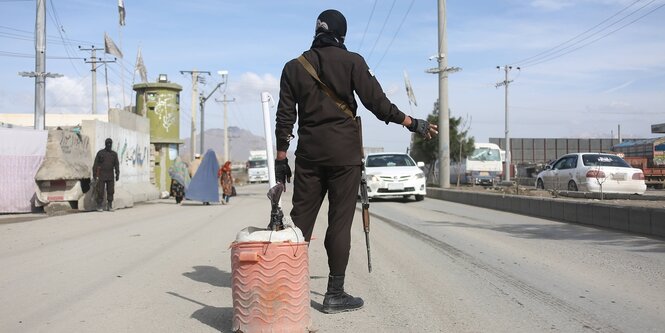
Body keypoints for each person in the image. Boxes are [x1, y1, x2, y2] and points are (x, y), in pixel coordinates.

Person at [274, 9, 437, 314]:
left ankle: (284, 292)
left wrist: (281, 158)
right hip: (345, 156)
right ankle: (335, 293)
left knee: (300, 223)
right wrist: (412, 123)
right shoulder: (353, 62)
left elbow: (285, 118)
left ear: (316, 31)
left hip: (308, 156)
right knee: (339, 223)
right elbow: (377, 104)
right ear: (342, 35)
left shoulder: (293, 68)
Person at [92, 138, 120, 212]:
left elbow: (117, 165)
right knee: (100, 190)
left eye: (110, 143)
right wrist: (94, 175)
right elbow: (95, 164)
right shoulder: (100, 153)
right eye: (107, 143)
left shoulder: (114, 154)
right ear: (105, 144)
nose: (109, 145)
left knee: (110, 191)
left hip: (110, 175)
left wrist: (117, 174)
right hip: (101, 175)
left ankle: (109, 205)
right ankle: (99, 205)